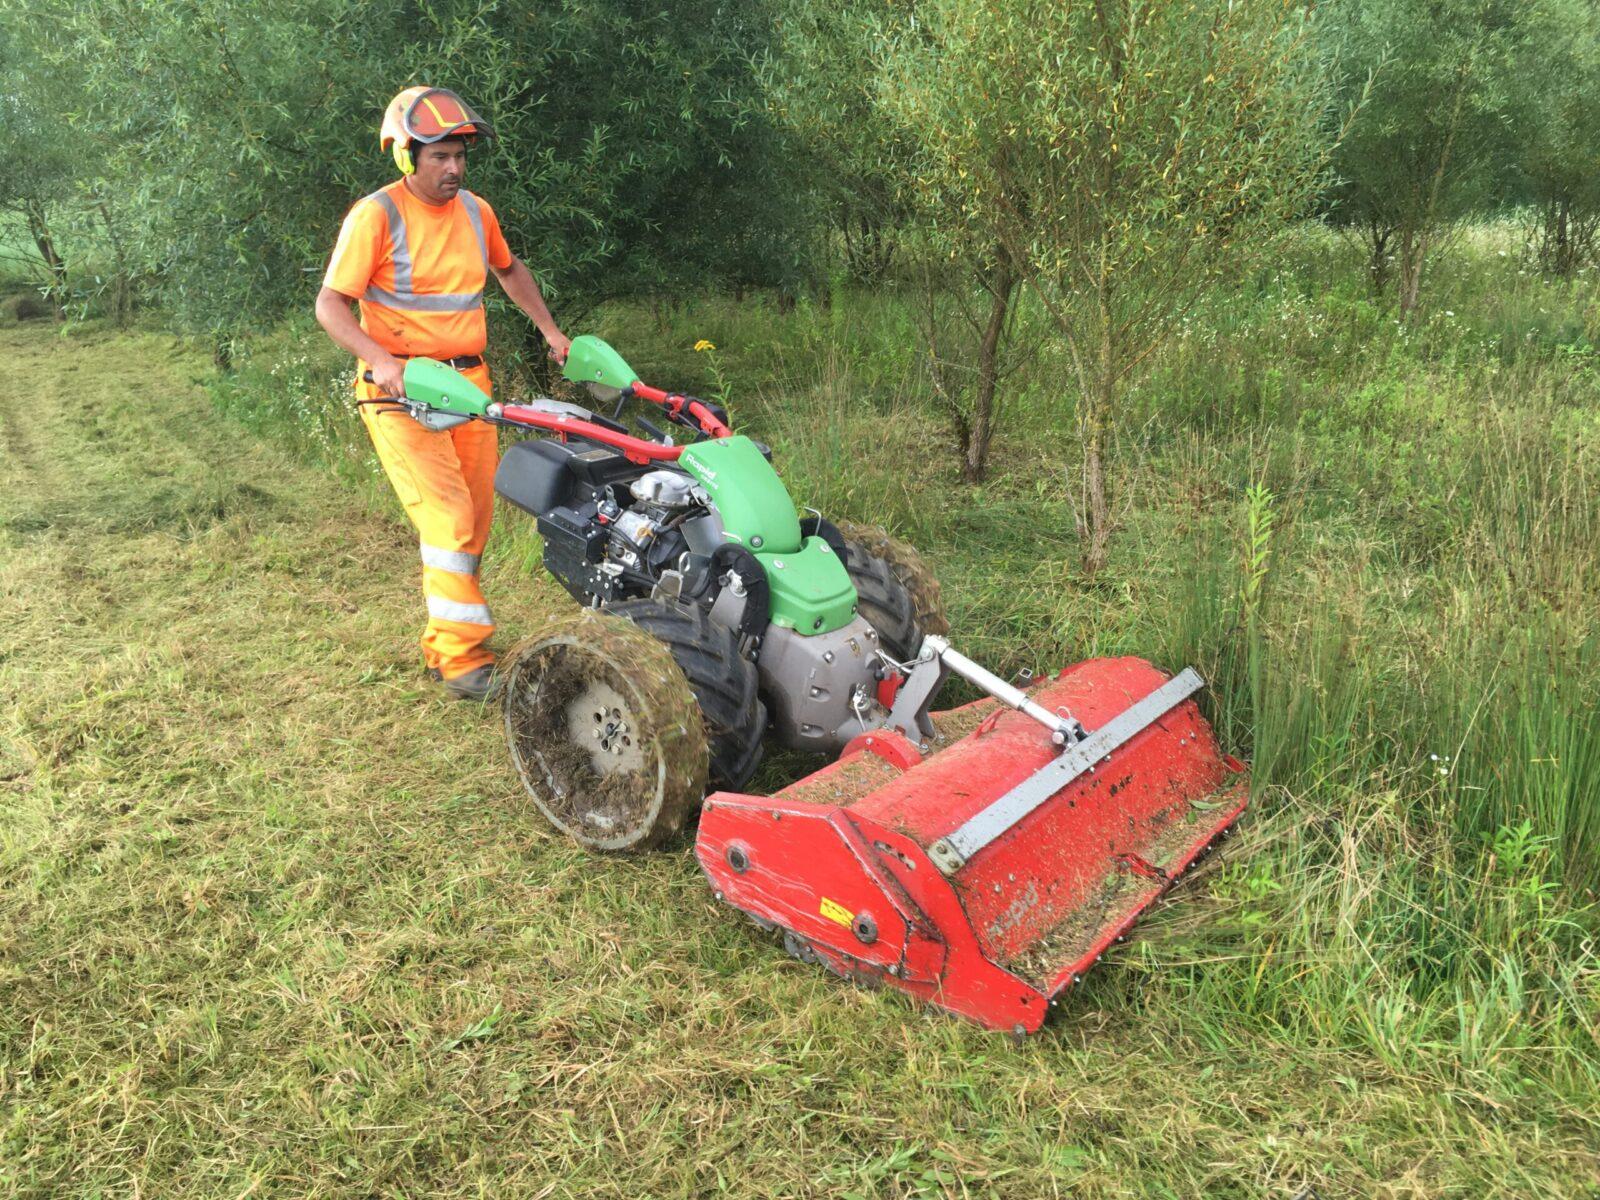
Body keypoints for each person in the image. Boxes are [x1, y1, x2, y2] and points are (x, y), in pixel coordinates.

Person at [315, 86, 570, 700]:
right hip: (400, 393)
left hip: (468, 386)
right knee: (449, 517)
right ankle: (463, 662)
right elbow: (330, 304)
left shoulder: (477, 213)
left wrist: (549, 328)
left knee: (475, 521)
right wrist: (379, 358)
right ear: (407, 157)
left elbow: (508, 269)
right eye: (439, 156)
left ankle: (443, 643)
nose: (453, 167)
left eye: (459, 155)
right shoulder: (376, 216)